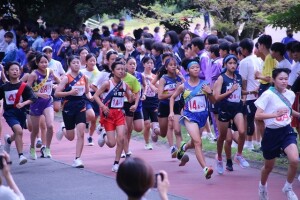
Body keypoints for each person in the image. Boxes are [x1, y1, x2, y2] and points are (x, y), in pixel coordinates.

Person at [255, 68, 300, 200]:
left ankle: (288, 187)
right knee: (269, 167)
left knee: (294, 160)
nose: (284, 81)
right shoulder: (267, 94)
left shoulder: (291, 94)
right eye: (281, 79)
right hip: (271, 133)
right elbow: (258, 115)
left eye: (286, 79)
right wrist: (275, 114)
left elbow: (288, 111)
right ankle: (262, 187)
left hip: (286, 130)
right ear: (274, 80)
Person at [169, 59, 215, 179]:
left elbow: (214, 101)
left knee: (195, 142)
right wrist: (171, 112)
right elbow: (172, 97)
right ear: (188, 71)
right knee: (198, 142)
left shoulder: (205, 84)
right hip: (189, 116)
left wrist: (210, 93)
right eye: (193, 68)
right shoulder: (184, 86)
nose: (196, 69)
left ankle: (183, 147)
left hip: (202, 116)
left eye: (197, 67)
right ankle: (205, 168)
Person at [94, 61, 133, 172]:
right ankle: (104, 134)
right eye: (118, 69)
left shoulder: (125, 85)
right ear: (113, 71)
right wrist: (102, 106)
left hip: (119, 114)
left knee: (121, 137)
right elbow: (96, 96)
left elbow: (129, 99)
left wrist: (133, 97)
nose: (121, 71)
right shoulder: (107, 83)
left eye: (123, 69)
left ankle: (116, 163)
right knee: (112, 143)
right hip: (109, 114)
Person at [213, 55, 250, 174]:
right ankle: (219, 158)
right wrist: (230, 91)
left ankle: (238, 155)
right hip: (224, 110)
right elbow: (216, 97)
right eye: (230, 63)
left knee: (242, 131)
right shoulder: (221, 78)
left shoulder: (238, 77)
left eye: (235, 63)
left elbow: (240, 90)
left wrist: (248, 93)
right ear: (225, 65)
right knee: (225, 138)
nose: (233, 65)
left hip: (237, 109)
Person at [55, 55, 91, 168]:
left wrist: (91, 98)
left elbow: (87, 92)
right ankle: (63, 128)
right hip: (68, 107)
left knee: (81, 133)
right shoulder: (66, 78)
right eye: (74, 62)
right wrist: (69, 93)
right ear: (70, 64)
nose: (76, 64)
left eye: (78, 62)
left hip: (81, 106)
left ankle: (77, 159)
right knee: (70, 137)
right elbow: (57, 93)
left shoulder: (84, 77)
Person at [1, 62, 37, 165]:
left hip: (21, 112)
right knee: (19, 130)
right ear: (7, 72)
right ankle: (21, 155)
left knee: (18, 132)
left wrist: (24, 103)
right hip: (9, 113)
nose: (15, 71)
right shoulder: (4, 87)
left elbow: (33, 97)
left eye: (17, 69)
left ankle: (8, 140)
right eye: (12, 69)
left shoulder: (24, 86)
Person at [26, 53, 60, 159]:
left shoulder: (50, 72)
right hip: (36, 103)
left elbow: (59, 81)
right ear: (37, 63)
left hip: (48, 102)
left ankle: (47, 148)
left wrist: (55, 85)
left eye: (46, 62)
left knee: (50, 125)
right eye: (42, 62)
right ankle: (32, 147)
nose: (44, 64)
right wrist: (39, 94)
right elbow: (27, 91)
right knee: (35, 130)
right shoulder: (33, 74)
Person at [157, 56, 183, 158]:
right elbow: (160, 96)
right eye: (170, 65)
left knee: (177, 130)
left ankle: (177, 150)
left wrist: (182, 80)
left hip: (176, 105)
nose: (173, 67)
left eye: (175, 65)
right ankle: (155, 130)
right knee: (163, 133)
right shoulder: (163, 79)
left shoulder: (178, 78)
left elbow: (185, 90)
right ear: (166, 67)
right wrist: (173, 94)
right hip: (164, 106)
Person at [141, 56, 160, 147]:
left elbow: (159, 88)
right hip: (144, 101)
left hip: (154, 101)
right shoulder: (140, 75)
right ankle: (147, 143)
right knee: (147, 124)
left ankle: (154, 130)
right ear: (143, 64)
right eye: (148, 63)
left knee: (156, 127)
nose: (150, 64)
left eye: (151, 63)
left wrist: (151, 79)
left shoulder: (155, 76)